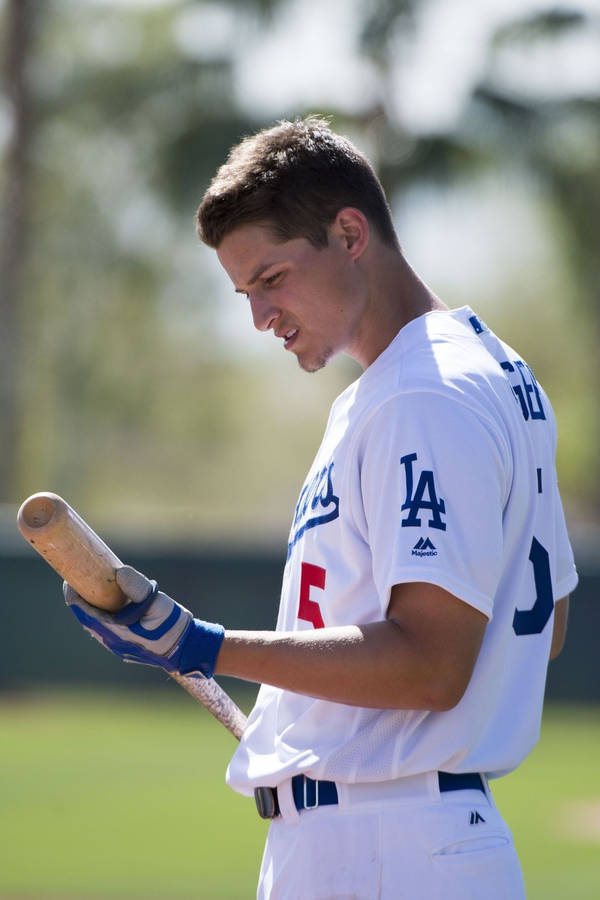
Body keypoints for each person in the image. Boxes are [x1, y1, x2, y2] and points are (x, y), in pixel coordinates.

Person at [66, 117, 578, 899]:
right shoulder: (482, 372)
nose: (259, 317)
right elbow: (544, 628)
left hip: (389, 844)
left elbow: (434, 663)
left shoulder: (423, 392)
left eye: (271, 279)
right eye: (244, 293)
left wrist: (204, 644)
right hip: (398, 834)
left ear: (348, 232)